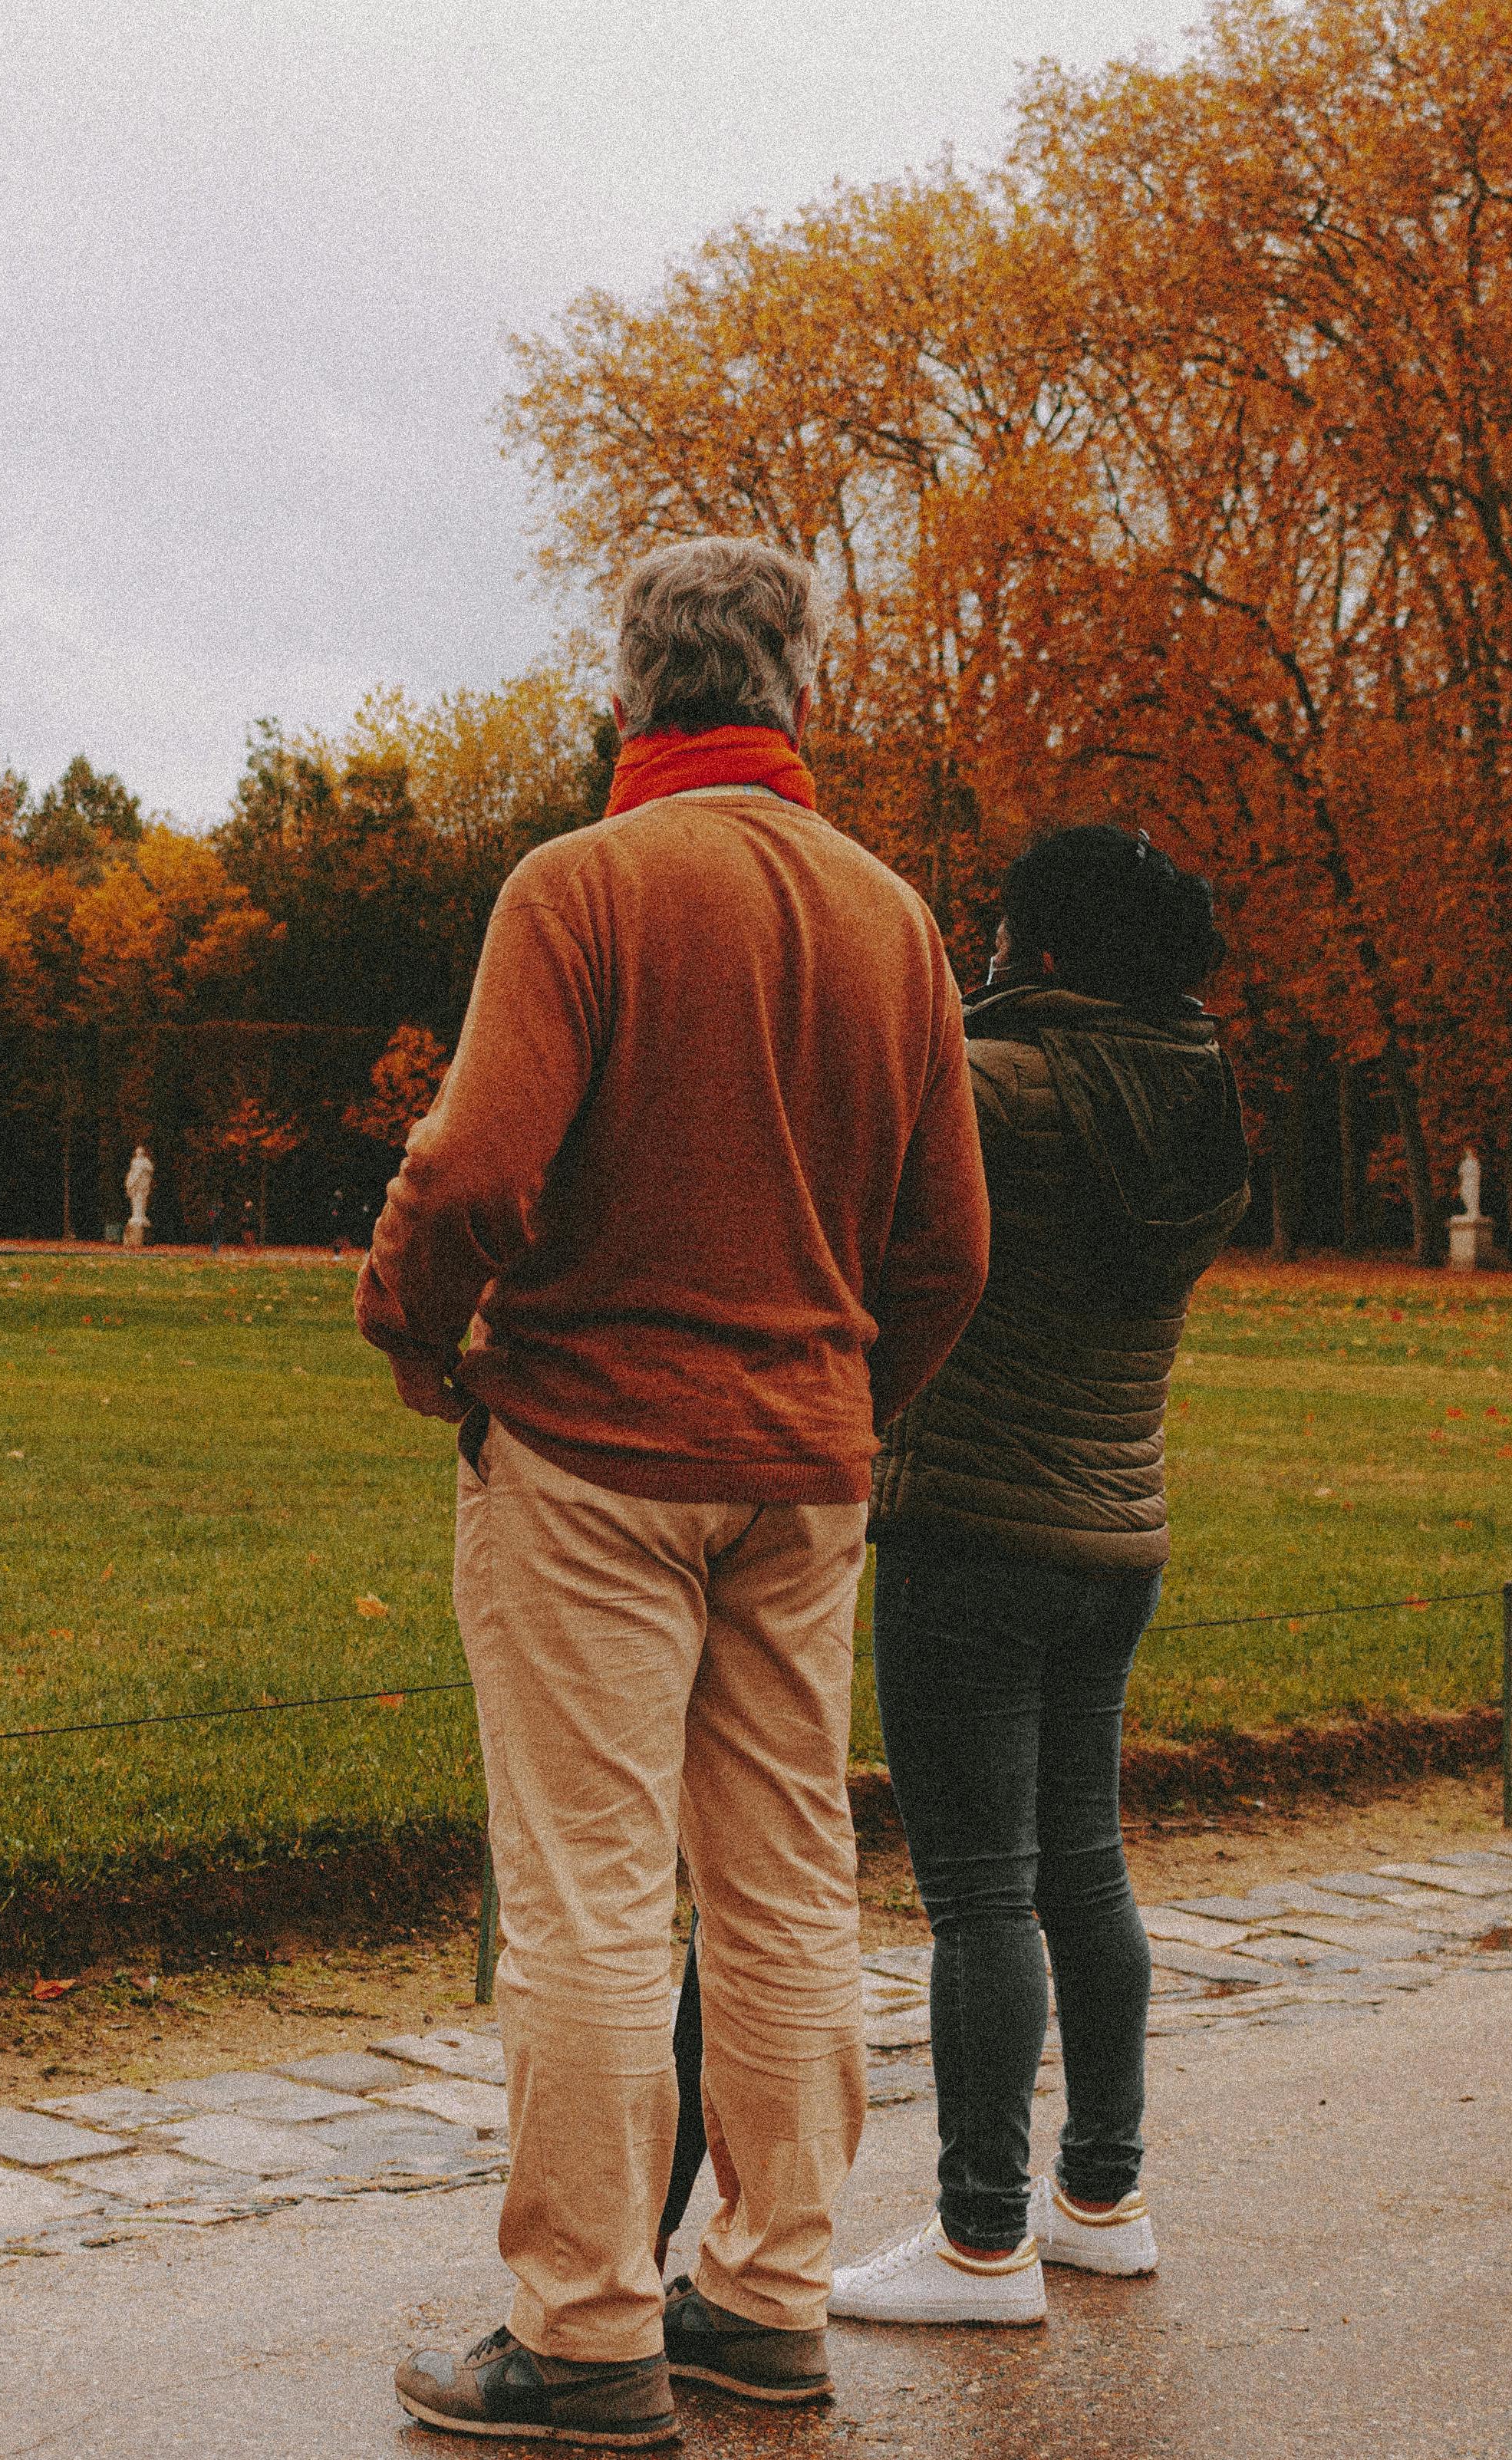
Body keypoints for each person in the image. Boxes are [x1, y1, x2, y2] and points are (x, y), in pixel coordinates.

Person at [365, 536, 990, 2445]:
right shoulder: (887, 918)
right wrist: (847, 1394)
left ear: (626, 690)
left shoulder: (582, 887)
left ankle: (579, 2327)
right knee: (788, 1882)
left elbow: (472, 1169)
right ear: (795, 688)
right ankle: (767, 2296)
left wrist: (416, 1338)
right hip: (801, 1468)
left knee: (584, 1900)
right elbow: (951, 1243)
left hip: (592, 1452)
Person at [812, 824, 1252, 2325]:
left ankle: (978, 2238)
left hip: (973, 1529)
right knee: (1084, 1865)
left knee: (978, 1895)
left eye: (1000, 932)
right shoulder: (1195, 1097)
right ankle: (1101, 2196)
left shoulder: (994, 1090)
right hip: (1117, 1528)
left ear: (1044, 950)